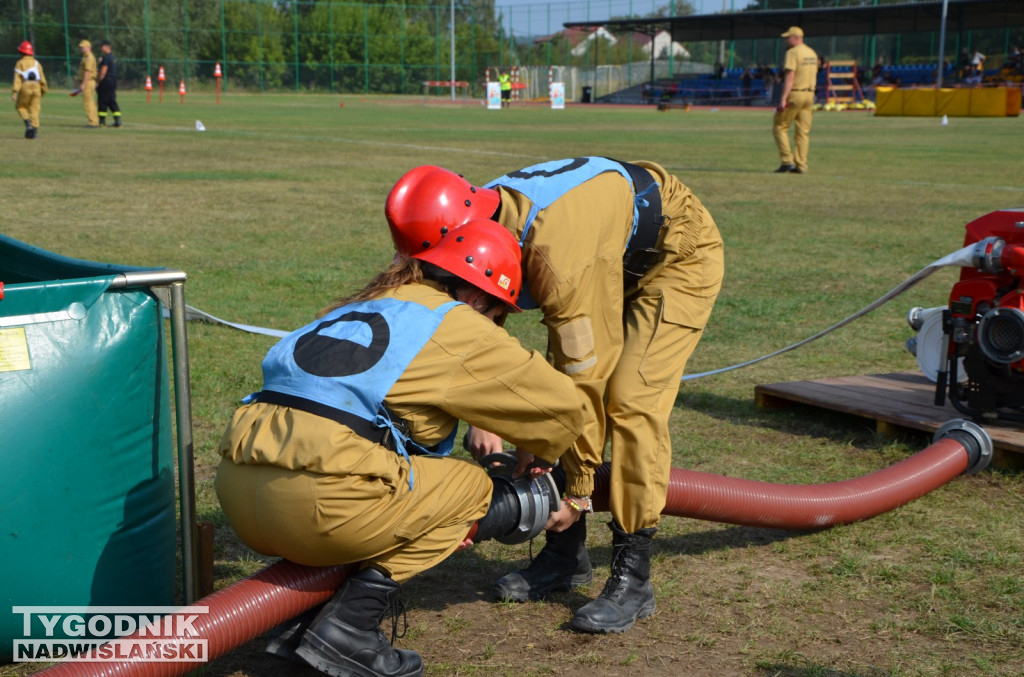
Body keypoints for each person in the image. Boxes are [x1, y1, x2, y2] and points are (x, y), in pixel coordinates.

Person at [215, 219, 585, 677]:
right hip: (320, 507)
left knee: (383, 471)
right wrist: (544, 459)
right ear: (476, 298)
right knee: (469, 484)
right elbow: (566, 409)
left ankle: (305, 619)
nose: (495, 326)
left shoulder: (363, 305)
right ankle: (347, 630)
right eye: (498, 315)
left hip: (237, 492)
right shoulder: (458, 321)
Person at [385, 158, 724, 634]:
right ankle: (566, 557)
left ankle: (634, 577)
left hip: (673, 258)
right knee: (561, 381)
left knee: (630, 401)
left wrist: (580, 494)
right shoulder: (485, 213)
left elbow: (582, 380)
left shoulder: (553, 254)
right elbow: (476, 308)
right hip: (607, 252)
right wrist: (487, 414)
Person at [772, 26, 818, 174]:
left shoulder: (792, 53)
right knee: (803, 132)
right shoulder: (811, 53)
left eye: (788, 37)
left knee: (780, 126)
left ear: (796, 38)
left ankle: (787, 161)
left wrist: (783, 98)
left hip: (795, 94)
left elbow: (790, 76)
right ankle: (801, 164)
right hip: (810, 95)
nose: (786, 40)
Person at [11, 41, 47, 139]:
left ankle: (29, 125)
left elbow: (17, 79)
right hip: (37, 86)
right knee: (34, 110)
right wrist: (43, 90)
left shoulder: (20, 63)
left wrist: (14, 92)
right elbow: (42, 79)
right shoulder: (36, 63)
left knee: (20, 107)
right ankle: (34, 132)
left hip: (25, 85)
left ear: (21, 52)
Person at [96, 39, 121, 127]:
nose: (100, 48)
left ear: (106, 47)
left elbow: (103, 71)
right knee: (111, 100)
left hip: (106, 81)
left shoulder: (106, 58)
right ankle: (117, 120)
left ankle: (102, 121)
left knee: (103, 101)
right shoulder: (113, 57)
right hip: (113, 81)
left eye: (101, 46)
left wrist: (98, 81)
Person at [76, 39, 99, 128]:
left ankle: (92, 122)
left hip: (88, 82)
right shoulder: (86, 56)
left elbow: (87, 71)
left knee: (88, 102)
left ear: (88, 47)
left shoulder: (88, 57)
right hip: (90, 81)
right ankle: (94, 120)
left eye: (83, 47)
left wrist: (83, 83)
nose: (81, 48)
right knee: (91, 102)